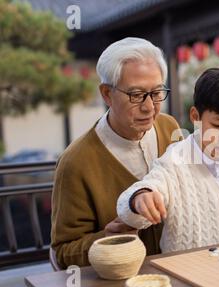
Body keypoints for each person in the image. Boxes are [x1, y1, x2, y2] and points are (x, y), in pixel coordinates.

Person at [51, 37, 182, 269]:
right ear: (106, 94)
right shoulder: (76, 162)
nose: (149, 107)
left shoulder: (169, 127)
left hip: (179, 270)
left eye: (156, 92)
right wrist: (106, 239)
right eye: (136, 94)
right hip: (118, 283)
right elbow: (63, 253)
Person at [117, 68, 219, 253]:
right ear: (195, 117)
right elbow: (143, 199)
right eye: (217, 126)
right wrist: (140, 197)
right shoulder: (175, 160)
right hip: (182, 272)